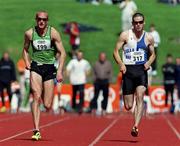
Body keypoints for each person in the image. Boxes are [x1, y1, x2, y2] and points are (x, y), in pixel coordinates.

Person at [22, 11, 66, 141]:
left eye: (44, 19)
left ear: (47, 20)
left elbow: (62, 53)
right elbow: (25, 49)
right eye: (39, 19)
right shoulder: (29, 33)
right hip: (35, 66)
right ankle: (36, 130)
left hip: (49, 67)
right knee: (36, 96)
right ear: (36, 19)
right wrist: (26, 62)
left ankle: (42, 99)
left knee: (47, 104)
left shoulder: (53, 33)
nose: (41, 22)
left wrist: (59, 71)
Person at [113, 12, 155, 137]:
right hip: (128, 71)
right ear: (132, 23)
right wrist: (121, 64)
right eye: (136, 22)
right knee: (128, 105)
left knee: (140, 96)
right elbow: (115, 51)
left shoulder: (149, 37)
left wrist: (148, 63)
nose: (138, 24)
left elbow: (153, 54)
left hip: (141, 70)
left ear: (144, 23)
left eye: (140, 22)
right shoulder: (125, 35)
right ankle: (132, 110)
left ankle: (135, 126)